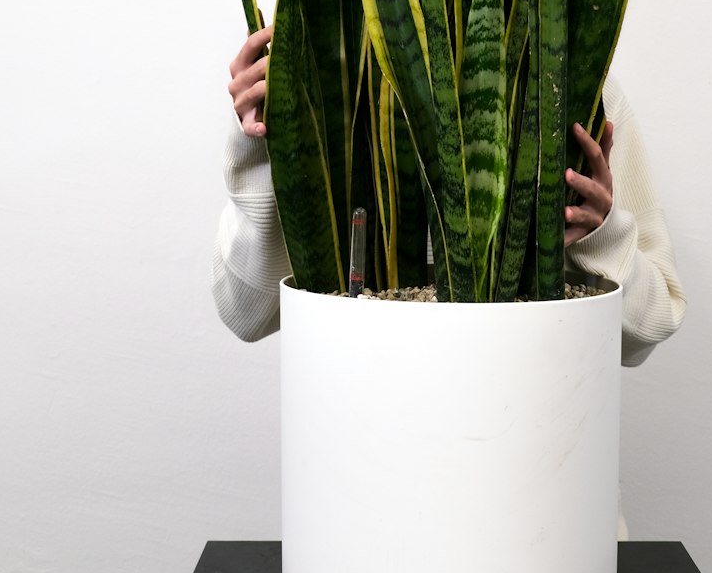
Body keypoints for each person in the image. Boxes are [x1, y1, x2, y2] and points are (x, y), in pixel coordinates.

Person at [212, 26, 686, 367]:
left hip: (543, 470)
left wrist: (601, 234)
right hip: (371, 472)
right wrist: (258, 143)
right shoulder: (334, 79)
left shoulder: (574, 82)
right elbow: (244, 314)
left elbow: (650, 329)